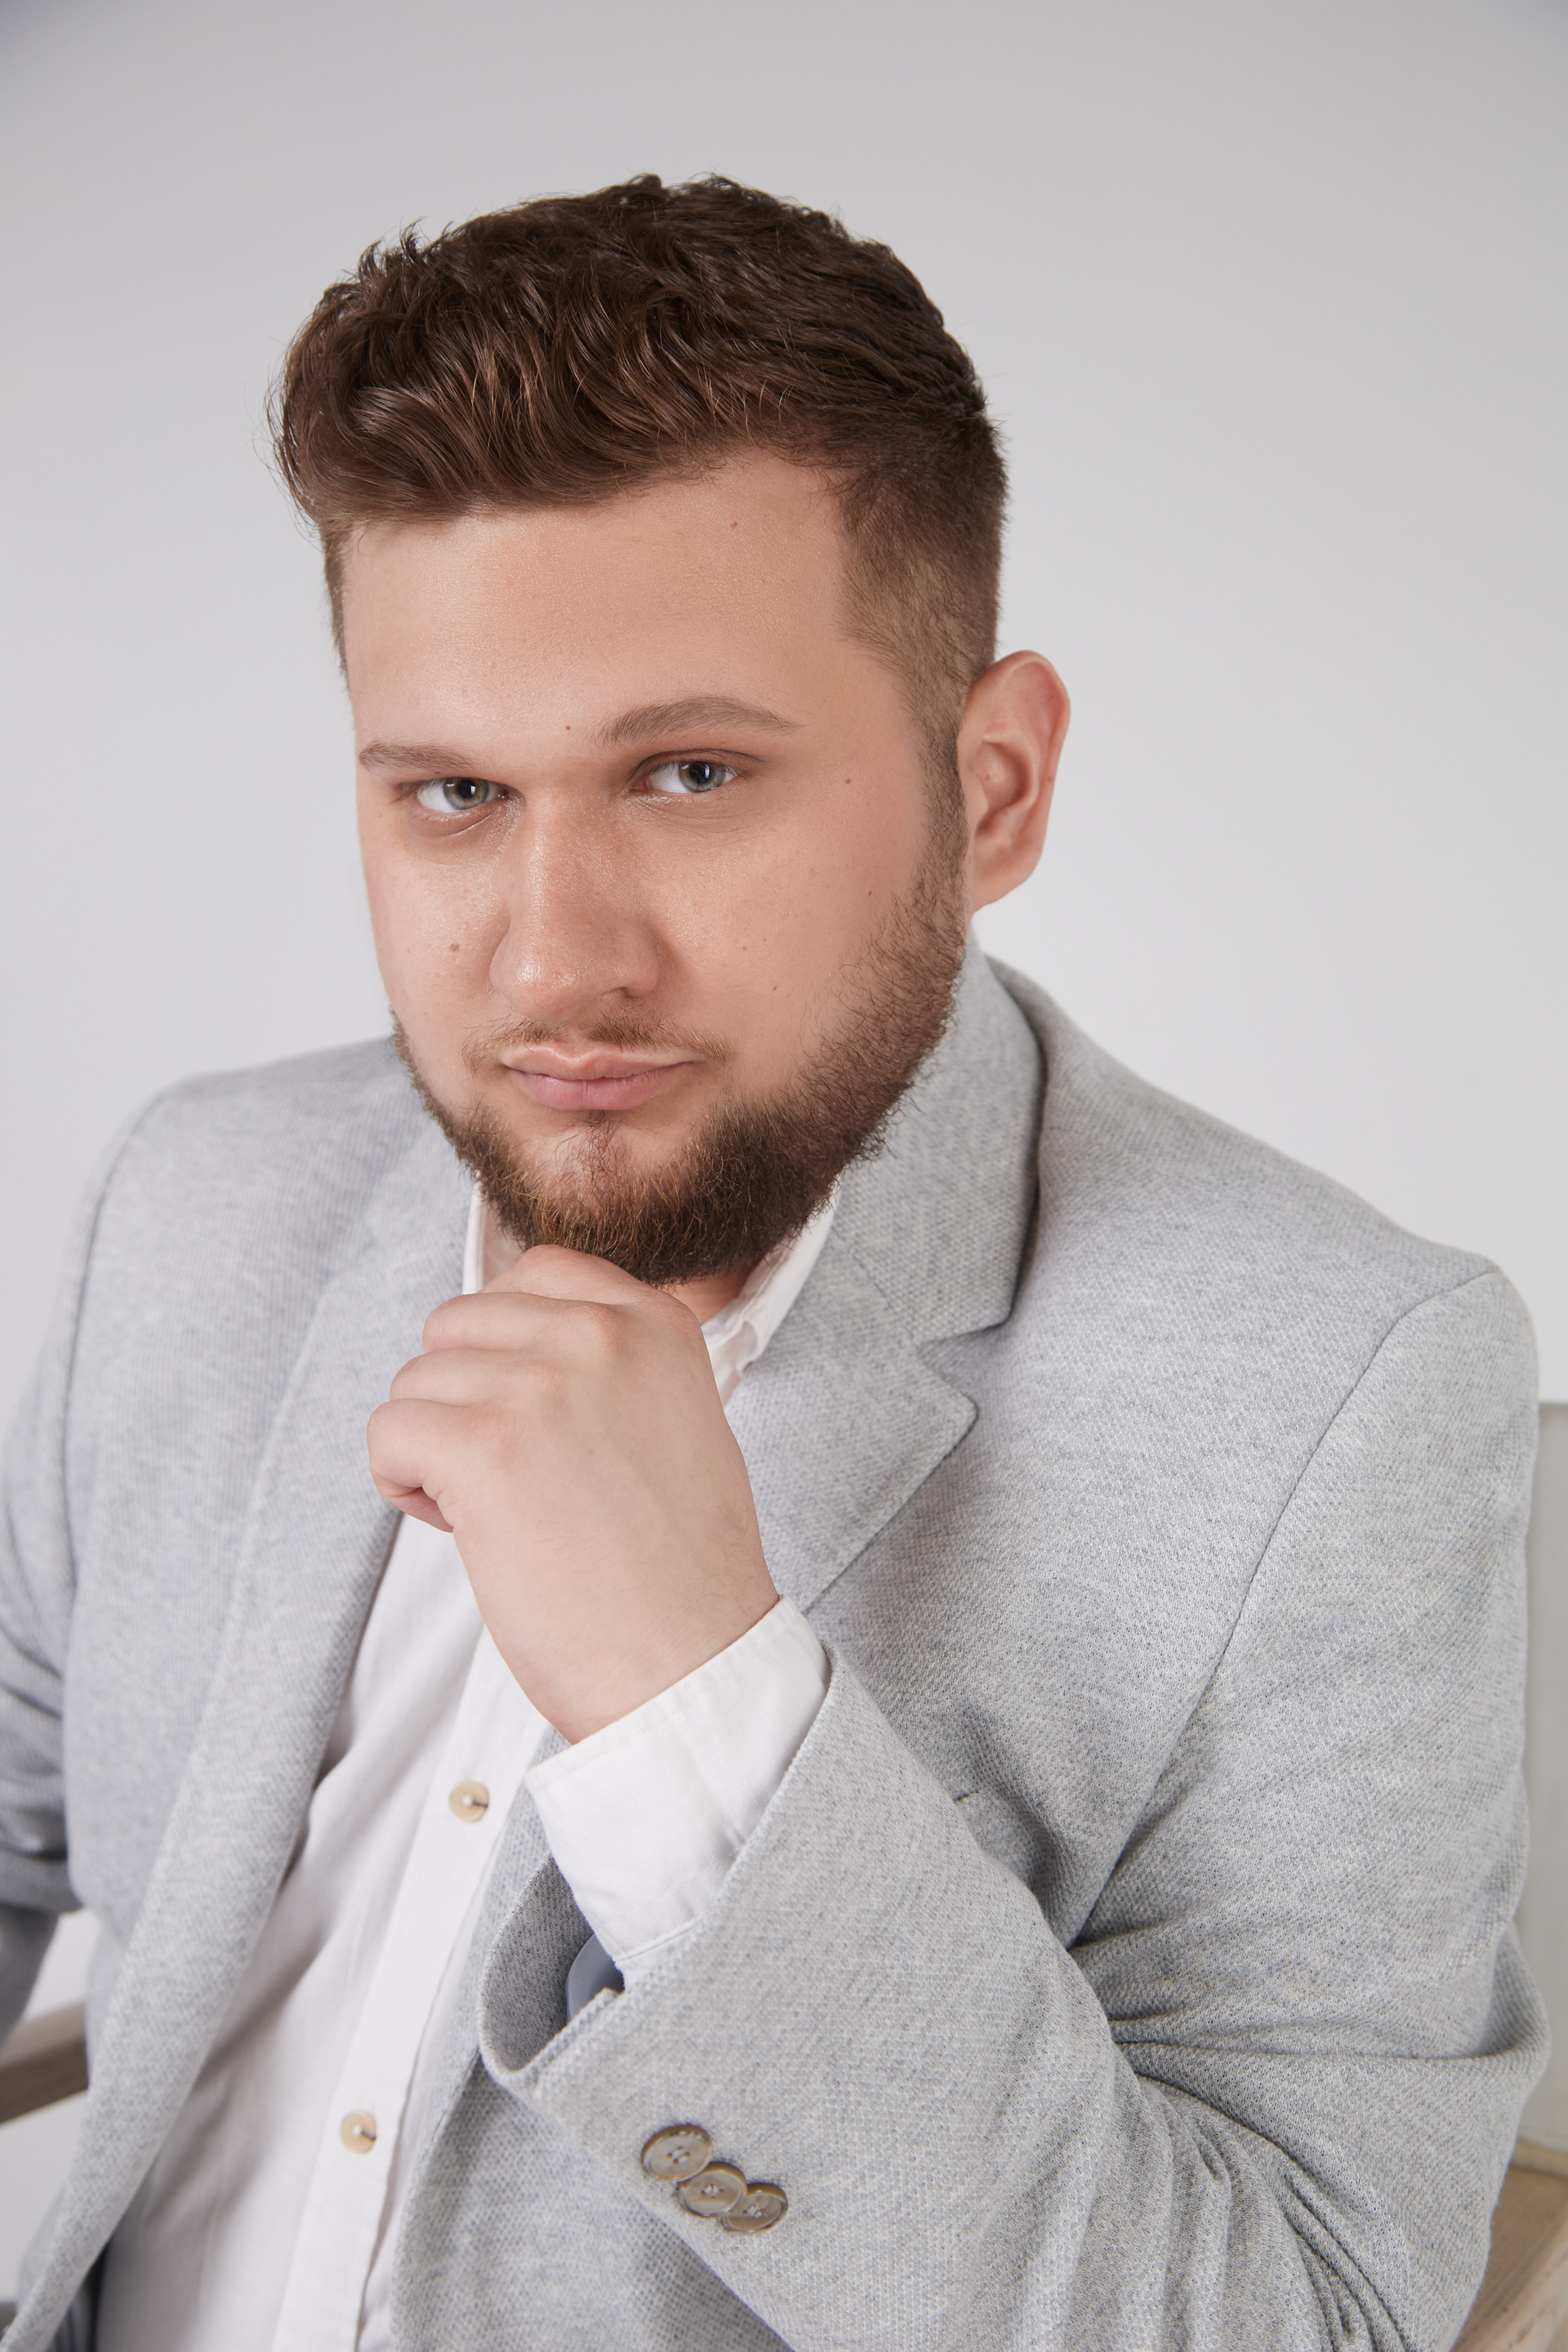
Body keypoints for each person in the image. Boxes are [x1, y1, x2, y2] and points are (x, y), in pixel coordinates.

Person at [0, 175, 1545, 2352]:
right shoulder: (202, 1196)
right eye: (453, 795)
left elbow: (1301, 2318)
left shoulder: (1339, 1394)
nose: (554, 960)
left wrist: (703, 1719)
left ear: (991, 789)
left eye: (692, 772)